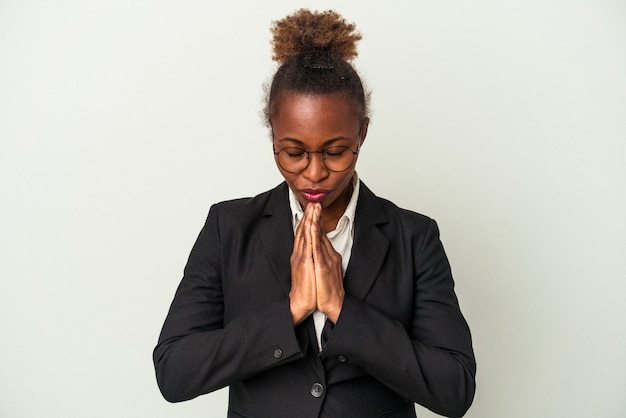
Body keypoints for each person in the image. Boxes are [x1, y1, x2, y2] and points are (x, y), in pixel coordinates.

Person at [153, 9, 476, 418]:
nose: (315, 172)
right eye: (294, 153)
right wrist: (290, 311)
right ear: (273, 133)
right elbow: (174, 371)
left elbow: (455, 388)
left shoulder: (415, 237)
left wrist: (344, 309)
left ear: (362, 132)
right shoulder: (228, 228)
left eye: (336, 151)